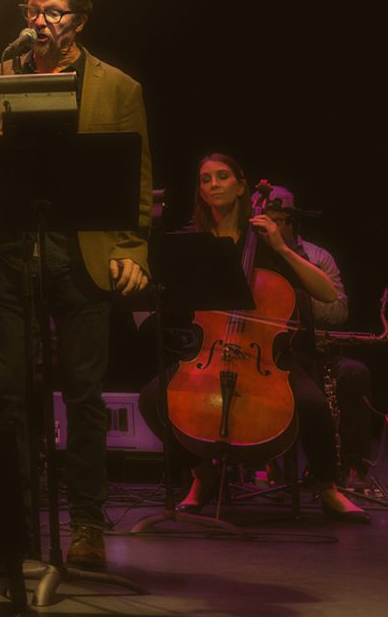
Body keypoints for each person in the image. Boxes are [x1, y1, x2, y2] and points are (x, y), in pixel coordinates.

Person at [0, 0, 151, 572]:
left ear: (81, 19)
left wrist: (132, 248)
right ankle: (17, 522)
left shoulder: (118, 87)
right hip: (14, 249)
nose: (41, 21)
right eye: (33, 10)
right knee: (11, 391)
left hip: (83, 252)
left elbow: (136, 174)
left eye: (53, 11)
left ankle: (88, 525)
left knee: (83, 394)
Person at [138, 159, 368, 522]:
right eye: (205, 179)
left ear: (241, 186)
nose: (214, 184)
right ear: (200, 190)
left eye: (223, 176)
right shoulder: (194, 241)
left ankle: (328, 487)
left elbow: (327, 293)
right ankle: (203, 476)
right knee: (153, 399)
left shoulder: (265, 237)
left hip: (267, 356)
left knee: (312, 404)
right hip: (210, 350)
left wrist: (281, 247)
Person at [264, 185, 375, 484]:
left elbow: (339, 310)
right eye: (266, 220)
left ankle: (351, 467)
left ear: (294, 221)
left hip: (313, 353)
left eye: (279, 220)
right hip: (266, 355)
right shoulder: (253, 255)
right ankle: (266, 463)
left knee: (354, 373)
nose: (272, 228)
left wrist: (297, 296)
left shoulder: (317, 257)